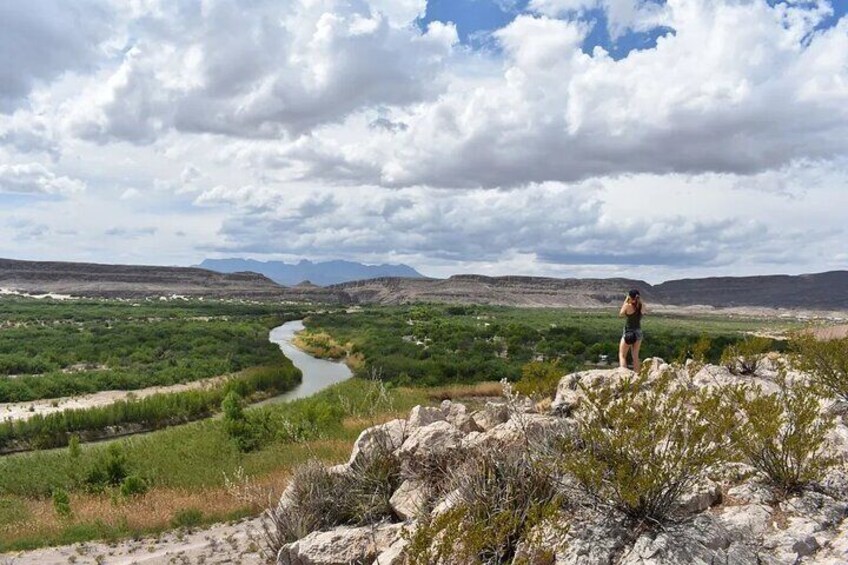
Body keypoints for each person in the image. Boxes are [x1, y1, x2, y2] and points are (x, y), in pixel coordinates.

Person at [618, 289, 645, 372]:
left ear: (629, 296)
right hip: (638, 332)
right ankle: (637, 375)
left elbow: (621, 314)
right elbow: (643, 312)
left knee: (622, 355)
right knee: (635, 356)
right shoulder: (641, 306)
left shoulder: (627, 305)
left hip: (629, 331)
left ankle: (623, 374)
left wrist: (626, 301)